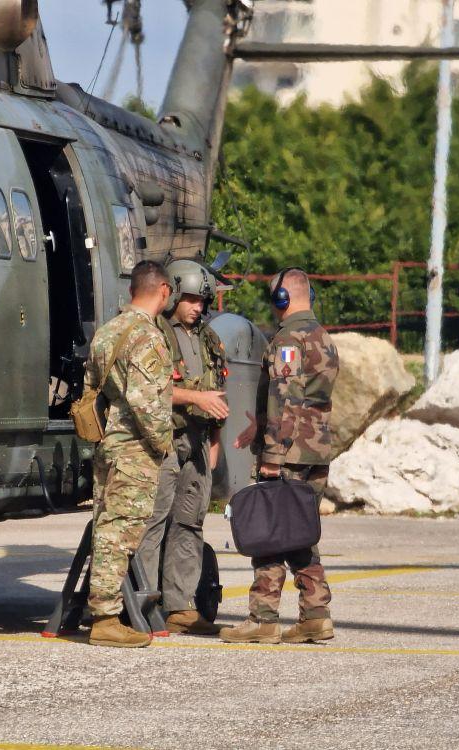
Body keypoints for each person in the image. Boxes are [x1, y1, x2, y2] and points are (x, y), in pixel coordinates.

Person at [220, 267, 339, 645]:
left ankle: (263, 617)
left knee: (271, 532)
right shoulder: (323, 337)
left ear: (281, 299)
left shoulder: (289, 339)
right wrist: (260, 426)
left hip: (289, 450)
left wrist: (272, 452)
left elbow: (285, 397)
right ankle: (316, 615)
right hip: (316, 448)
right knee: (299, 531)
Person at [136, 259, 230, 636]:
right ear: (173, 294)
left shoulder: (208, 338)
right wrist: (197, 399)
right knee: (154, 523)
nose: (198, 307)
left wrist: (216, 441)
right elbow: (151, 391)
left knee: (189, 524)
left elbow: (219, 391)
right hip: (165, 441)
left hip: (198, 440)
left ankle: (180, 605)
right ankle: (142, 601)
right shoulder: (155, 334)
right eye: (190, 299)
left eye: (202, 301)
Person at [85, 261, 175, 648]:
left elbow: (93, 390)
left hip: (108, 445)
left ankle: (101, 609)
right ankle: (105, 618)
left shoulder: (107, 333)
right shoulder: (147, 337)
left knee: (106, 524)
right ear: (165, 291)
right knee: (120, 531)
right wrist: (162, 443)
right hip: (134, 449)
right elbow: (147, 403)